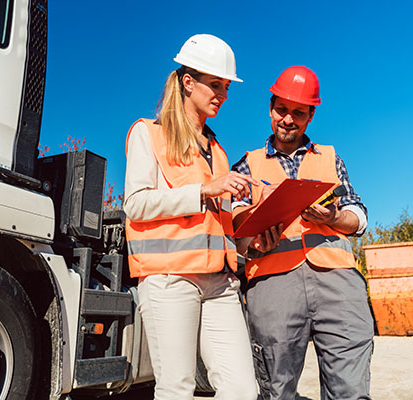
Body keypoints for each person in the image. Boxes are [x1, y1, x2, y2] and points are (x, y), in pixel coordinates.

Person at [123, 34, 280, 400]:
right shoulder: (149, 134)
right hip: (169, 278)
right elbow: (136, 204)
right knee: (177, 388)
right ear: (188, 82)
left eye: (226, 87)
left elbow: (217, 229)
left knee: (242, 389)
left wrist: (250, 244)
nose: (222, 95)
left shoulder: (219, 153)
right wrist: (204, 190)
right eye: (215, 85)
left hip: (220, 283)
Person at [232, 66, 374, 400]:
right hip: (273, 283)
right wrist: (251, 243)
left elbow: (358, 214)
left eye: (298, 112)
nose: (287, 119)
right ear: (271, 109)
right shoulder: (247, 164)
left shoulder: (329, 157)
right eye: (281, 109)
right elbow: (235, 224)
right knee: (276, 390)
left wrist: (334, 216)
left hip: (337, 282)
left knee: (350, 389)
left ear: (310, 116)